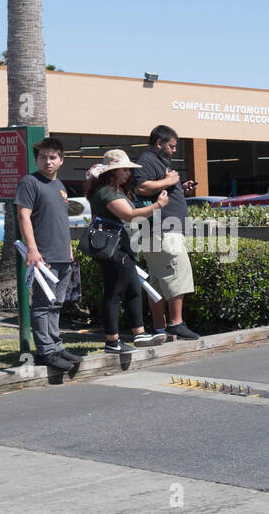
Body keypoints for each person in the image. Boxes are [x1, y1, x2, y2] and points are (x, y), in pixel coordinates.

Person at [85, 150, 169, 354]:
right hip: (115, 250)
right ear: (113, 172)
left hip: (123, 248)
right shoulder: (106, 191)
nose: (128, 173)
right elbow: (129, 214)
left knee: (132, 290)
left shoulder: (114, 190)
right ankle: (112, 341)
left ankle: (138, 333)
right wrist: (158, 205)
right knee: (113, 294)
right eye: (124, 169)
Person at [15, 136, 80, 372]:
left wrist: (69, 249)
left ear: (61, 160)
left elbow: (61, 221)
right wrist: (32, 249)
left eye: (53, 157)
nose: (48, 161)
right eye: (43, 157)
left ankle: (56, 345)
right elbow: (24, 215)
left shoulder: (60, 186)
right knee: (43, 305)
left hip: (62, 255)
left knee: (56, 303)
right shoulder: (29, 183)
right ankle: (45, 351)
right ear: (37, 159)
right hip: (43, 257)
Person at [132, 125, 199, 341]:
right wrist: (170, 181)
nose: (173, 150)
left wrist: (179, 188)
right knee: (176, 275)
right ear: (159, 143)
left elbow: (155, 188)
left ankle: (160, 329)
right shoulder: (148, 160)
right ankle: (176, 323)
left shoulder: (157, 162)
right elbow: (141, 187)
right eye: (171, 146)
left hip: (159, 231)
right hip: (163, 231)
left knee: (159, 281)